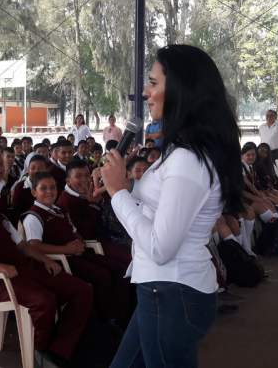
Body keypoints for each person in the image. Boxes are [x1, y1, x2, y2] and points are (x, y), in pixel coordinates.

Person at [101, 45, 243, 367]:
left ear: (180, 90)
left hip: (172, 293)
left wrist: (118, 193)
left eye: (153, 83)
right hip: (161, 289)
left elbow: (160, 247)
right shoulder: (182, 152)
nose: (145, 92)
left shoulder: (188, 160)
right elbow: (161, 207)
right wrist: (126, 186)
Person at [0, 175, 93, 366]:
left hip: (24, 270)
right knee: (44, 300)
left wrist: (45, 260)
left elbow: (23, 246)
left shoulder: (0, 218)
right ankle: (40, 349)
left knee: (81, 289)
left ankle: (60, 348)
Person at [22, 172, 130, 323]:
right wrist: (66, 250)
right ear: (34, 192)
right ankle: (103, 318)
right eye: (43, 188)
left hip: (78, 253)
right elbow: (34, 246)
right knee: (101, 275)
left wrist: (78, 241)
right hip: (61, 260)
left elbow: (74, 231)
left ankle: (121, 314)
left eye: (52, 188)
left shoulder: (59, 210)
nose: (49, 192)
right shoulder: (33, 216)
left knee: (118, 268)